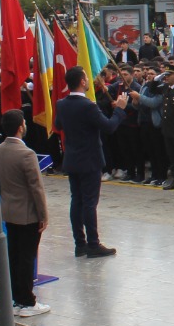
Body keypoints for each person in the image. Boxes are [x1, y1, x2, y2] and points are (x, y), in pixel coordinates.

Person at [55, 65, 130, 258]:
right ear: (82, 81)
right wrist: (120, 110)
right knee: (89, 203)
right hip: (89, 159)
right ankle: (93, 243)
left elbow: (58, 125)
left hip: (72, 158)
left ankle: (80, 243)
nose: (89, 81)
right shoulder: (88, 105)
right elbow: (109, 126)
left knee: (76, 201)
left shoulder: (62, 104)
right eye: (86, 78)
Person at [0, 109, 50, 317]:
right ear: (20, 127)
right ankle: (27, 300)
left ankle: (17, 298)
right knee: (27, 257)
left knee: (14, 256)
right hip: (28, 213)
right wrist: (43, 215)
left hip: (9, 210)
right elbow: (36, 187)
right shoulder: (26, 154)